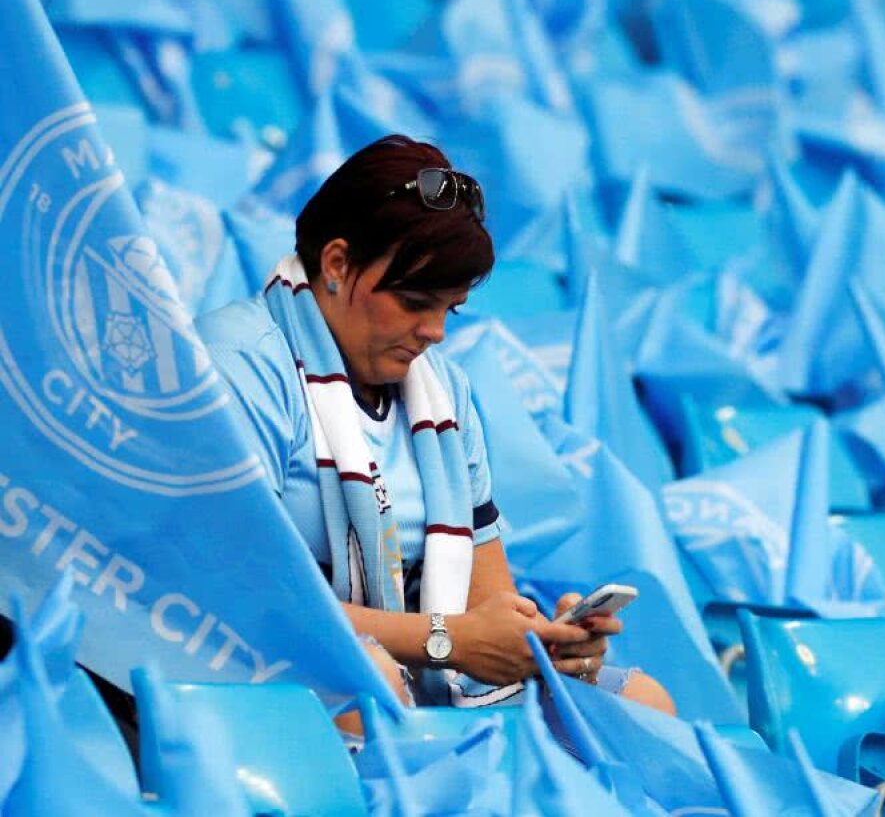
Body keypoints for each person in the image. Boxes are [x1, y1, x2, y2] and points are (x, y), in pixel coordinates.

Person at [197, 135, 674, 716]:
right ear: (337, 263)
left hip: (415, 674)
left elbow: (487, 603)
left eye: (450, 309)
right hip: (251, 662)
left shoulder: (444, 390)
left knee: (645, 702)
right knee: (368, 683)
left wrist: (542, 643)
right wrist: (446, 642)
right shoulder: (237, 364)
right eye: (414, 301)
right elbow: (239, 599)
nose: (435, 333)